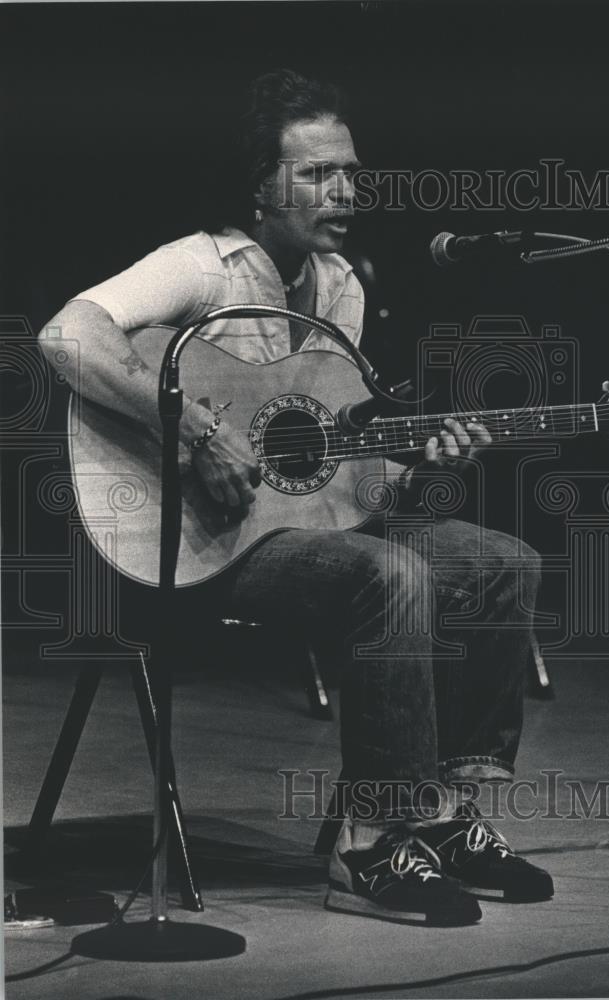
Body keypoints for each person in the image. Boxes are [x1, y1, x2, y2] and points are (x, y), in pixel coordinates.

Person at [38, 68, 552, 926]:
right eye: (317, 174)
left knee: (501, 564)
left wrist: (427, 464)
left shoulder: (341, 288)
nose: (344, 190)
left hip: (298, 534)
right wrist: (196, 433)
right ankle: (370, 845)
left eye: (349, 171)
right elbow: (68, 332)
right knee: (390, 577)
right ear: (260, 187)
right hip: (192, 544)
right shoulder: (200, 266)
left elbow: (345, 475)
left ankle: (446, 816)